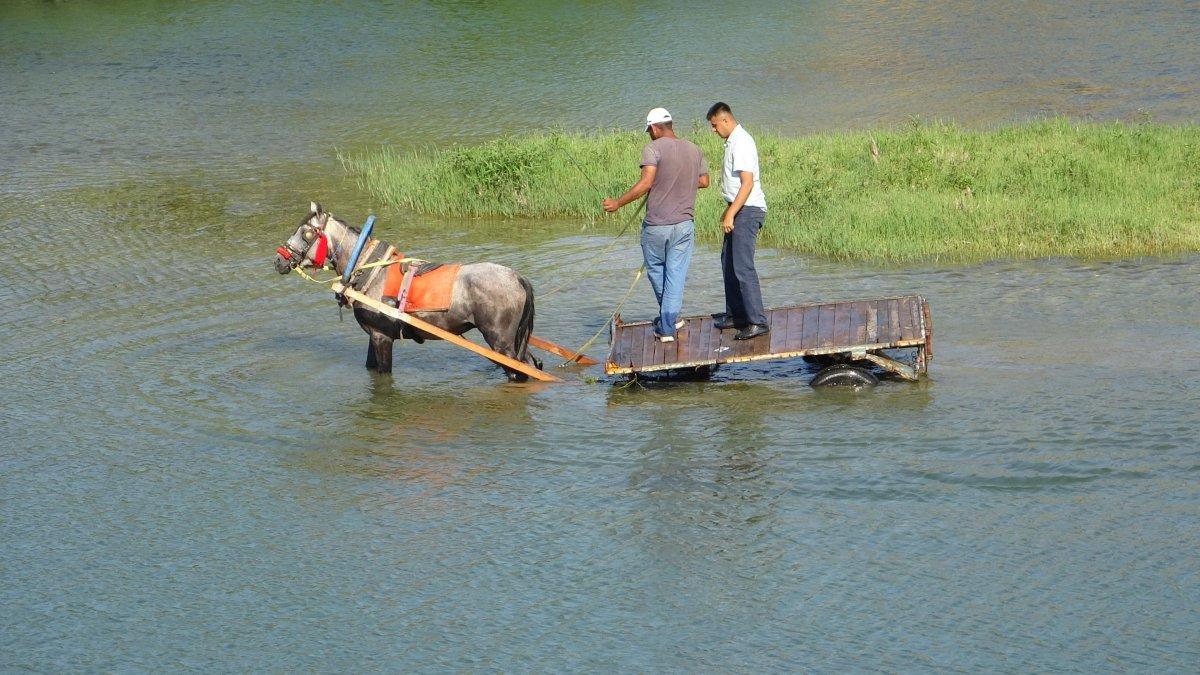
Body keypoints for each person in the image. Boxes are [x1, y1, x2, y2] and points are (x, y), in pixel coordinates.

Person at [603, 107, 709, 342]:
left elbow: (646, 182)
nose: (649, 134)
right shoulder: (694, 148)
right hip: (684, 225)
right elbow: (704, 181)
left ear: (654, 127)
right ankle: (672, 318)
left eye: (649, 130)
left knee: (657, 272)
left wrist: (618, 203)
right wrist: (679, 181)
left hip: (656, 226)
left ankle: (667, 329)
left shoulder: (652, 148)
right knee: (676, 275)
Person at [706, 102, 769, 340]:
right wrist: (729, 210)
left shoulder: (741, 142)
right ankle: (736, 315)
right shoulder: (732, 141)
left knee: (743, 266)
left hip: (749, 209)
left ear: (725, 120)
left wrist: (732, 213)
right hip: (738, 207)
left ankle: (757, 322)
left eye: (714, 125)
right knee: (727, 262)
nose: (713, 130)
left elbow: (748, 183)